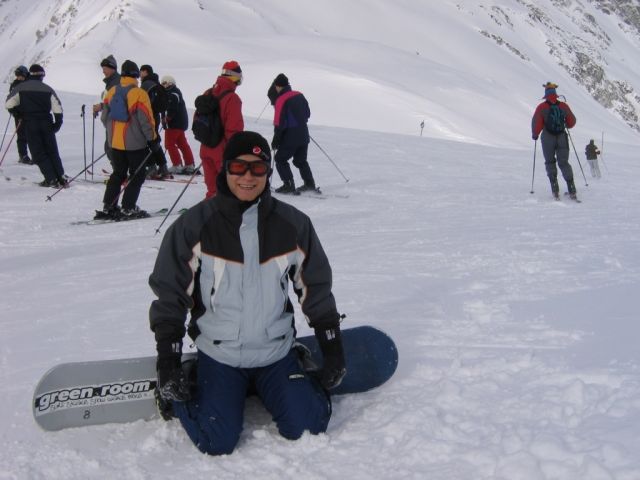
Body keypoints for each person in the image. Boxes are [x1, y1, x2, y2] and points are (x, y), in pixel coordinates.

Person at [149, 131, 346, 456]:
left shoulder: (293, 225)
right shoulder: (195, 226)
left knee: (308, 426)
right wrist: (168, 360)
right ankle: (191, 379)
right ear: (226, 168)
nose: (248, 176)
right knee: (216, 440)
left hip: (274, 352)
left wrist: (333, 347)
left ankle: (295, 370)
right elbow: (170, 293)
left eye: (258, 168)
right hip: (220, 354)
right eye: (239, 166)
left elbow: (315, 287)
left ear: (268, 172)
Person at [95, 60, 158, 220]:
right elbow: (146, 120)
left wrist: (113, 132)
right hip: (135, 144)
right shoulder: (139, 94)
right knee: (137, 175)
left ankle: (109, 205)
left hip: (115, 142)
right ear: (136, 75)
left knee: (118, 173)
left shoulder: (112, 91)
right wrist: (152, 139)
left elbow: (104, 118)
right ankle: (128, 207)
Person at [5, 64, 66, 187]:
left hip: (30, 123)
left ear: (30, 74)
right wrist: (57, 123)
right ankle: (61, 177)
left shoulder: (21, 88)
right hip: (47, 122)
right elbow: (58, 108)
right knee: (52, 151)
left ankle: (51, 179)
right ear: (42, 75)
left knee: (38, 153)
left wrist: (17, 114)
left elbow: (8, 104)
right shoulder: (48, 89)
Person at [197, 60, 244, 198]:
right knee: (227, 185)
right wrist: (235, 148)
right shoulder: (232, 98)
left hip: (206, 145)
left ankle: (211, 206)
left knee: (212, 186)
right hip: (222, 148)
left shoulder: (208, 92)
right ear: (235, 77)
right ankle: (225, 209)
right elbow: (234, 128)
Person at [270, 73, 316, 194]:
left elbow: (279, 123)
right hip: (304, 135)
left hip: (290, 137)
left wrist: (276, 139)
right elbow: (307, 114)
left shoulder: (280, 100)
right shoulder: (299, 95)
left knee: (280, 159)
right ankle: (309, 183)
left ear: (278, 86)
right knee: (300, 160)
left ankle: (288, 185)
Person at [531, 82, 578, 200]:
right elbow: (572, 122)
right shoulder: (563, 106)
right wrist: (565, 124)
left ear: (546, 93)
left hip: (547, 137)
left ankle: (555, 190)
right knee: (564, 162)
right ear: (555, 93)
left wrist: (535, 134)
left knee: (550, 162)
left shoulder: (541, 107)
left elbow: (536, 123)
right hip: (562, 137)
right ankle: (572, 189)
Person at [140, 64, 171, 180]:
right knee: (154, 141)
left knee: (144, 141)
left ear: (146, 72)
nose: (139, 74)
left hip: (147, 116)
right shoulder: (156, 84)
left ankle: (151, 167)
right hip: (155, 116)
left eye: (141, 71)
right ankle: (163, 167)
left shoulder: (146, 84)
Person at [161, 75, 196, 174]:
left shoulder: (172, 94)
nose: (163, 86)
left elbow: (172, 108)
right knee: (182, 144)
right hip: (180, 124)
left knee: (169, 144)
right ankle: (189, 164)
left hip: (174, 124)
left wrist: (166, 119)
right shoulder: (175, 92)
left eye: (164, 83)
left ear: (170, 83)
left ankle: (177, 165)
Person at [93, 55, 121, 166]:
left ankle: (119, 172)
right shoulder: (112, 82)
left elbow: (117, 102)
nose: (103, 71)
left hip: (115, 121)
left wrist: (101, 106)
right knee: (110, 148)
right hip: (112, 120)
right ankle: (119, 171)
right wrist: (102, 106)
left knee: (112, 148)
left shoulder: (115, 83)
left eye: (105, 68)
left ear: (112, 68)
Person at [7, 65, 32, 164]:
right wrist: (15, 113)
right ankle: (23, 156)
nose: (18, 77)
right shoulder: (15, 85)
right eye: (17, 75)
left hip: (31, 114)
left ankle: (37, 155)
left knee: (33, 135)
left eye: (20, 75)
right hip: (19, 115)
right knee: (21, 135)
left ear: (25, 74)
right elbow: (10, 101)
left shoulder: (31, 83)